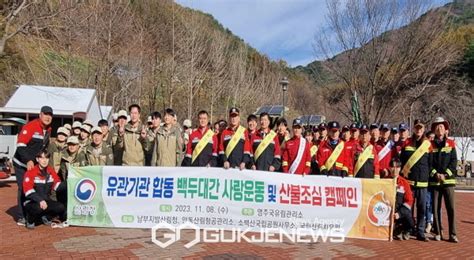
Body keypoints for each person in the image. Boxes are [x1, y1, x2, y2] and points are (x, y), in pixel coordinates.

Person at [12, 105, 53, 226]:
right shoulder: (31, 126)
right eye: (45, 114)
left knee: (35, 188)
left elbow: (43, 148)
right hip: (21, 163)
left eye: (50, 115)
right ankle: (21, 216)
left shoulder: (48, 129)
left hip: (34, 164)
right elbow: (20, 145)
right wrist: (28, 160)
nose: (47, 117)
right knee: (23, 188)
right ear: (40, 115)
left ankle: (33, 214)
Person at [400, 119, 431, 242]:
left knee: (422, 209)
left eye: (421, 128)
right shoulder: (407, 143)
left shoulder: (428, 144)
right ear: (414, 129)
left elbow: (431, 163)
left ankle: (420, 232)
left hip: (423, 183)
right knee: (408, 208)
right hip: (409, 183)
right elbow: (402, 161)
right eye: (417, 128)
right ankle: (408, 229)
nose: (418, 130)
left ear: (423, 130)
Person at [430, 117, 458, 243]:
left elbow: (454, 162)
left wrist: (445, 175)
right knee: (435, 208)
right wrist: (435, 174)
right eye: (437, 127)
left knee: (451, 208)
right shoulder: (430, 145)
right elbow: (429, 163)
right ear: (434, 130)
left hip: (448, 182)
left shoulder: (451, 144)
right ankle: (437, 233)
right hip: (435, 181)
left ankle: (453, 234)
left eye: (441, 126)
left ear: (445, 129)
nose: (439, 129)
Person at [22, 150, 65, 229]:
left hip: (45, 200)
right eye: (42, 158)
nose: (45, 160)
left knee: (60, 207)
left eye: (47, 158)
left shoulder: (50, 171)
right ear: (37, 159)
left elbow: (57, 185)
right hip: (31, 201)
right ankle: (30, 220)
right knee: (38, 208)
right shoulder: (31, 172)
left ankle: (46, 217)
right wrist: (40, 200)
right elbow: (28, 190)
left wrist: (68, 184)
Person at [57, 136, 88, 208]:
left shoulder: (82, 156)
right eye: (70, 144)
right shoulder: (63, 156)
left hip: (80, 182)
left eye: (74, 145)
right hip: (68, 181)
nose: (71, 147)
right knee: (60, 188)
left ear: (78, 146)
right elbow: (62, 172)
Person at [390, 158, 414, 241]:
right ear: (389, 168)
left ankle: (406, 230)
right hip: (387, 211)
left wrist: (399, 214)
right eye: (392, 167)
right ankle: (396, 229)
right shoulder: (384, 181)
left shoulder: (404, 183)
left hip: (399, 212)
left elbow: (409, 201)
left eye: (397, 167)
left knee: (410, 221)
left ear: (400, 169)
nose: (395, 170)